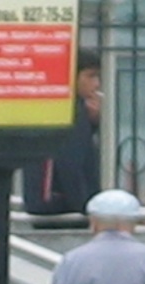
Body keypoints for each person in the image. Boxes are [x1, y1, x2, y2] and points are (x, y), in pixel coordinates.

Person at [22, 48, 102, 222]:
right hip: (60, 206)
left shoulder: (53, 104)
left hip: (46, 202)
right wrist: (85, 207)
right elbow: (70, 161)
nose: (96, 84)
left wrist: (91, 125)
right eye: (91, 76)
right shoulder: (70, 111)